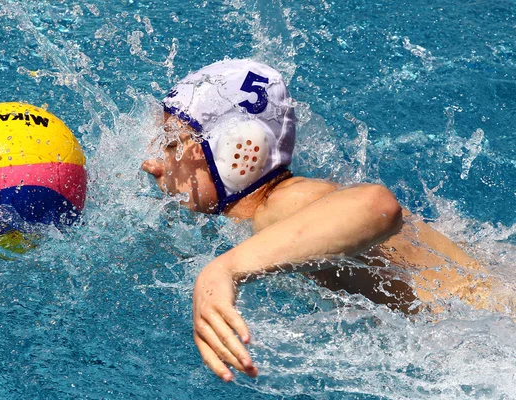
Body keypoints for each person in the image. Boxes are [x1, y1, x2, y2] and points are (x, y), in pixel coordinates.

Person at [141, 59, 492, 382]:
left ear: (238, 150)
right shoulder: (280, 216)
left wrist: (222, 270)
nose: (153, 163)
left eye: (173, 145)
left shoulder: (284, 204)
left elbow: (377, 205)